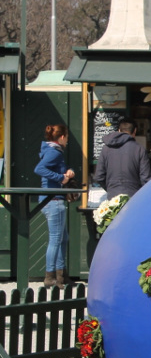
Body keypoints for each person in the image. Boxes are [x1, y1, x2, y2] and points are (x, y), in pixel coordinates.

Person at [34, 124, 76, 289]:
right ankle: (50, 276)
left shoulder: (54, 151)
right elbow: (39, 169)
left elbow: (52, 168)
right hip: (53, 200)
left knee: (62, 238)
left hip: (52, 199)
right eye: (67, 137)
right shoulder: (53, 152)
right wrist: (61, 178)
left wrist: (68, 172)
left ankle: (61, 275)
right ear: (62, 137)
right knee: (56, 239)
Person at [94, 118, 151, 198]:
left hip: (113, 197)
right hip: (134, 197)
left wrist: (112, 188)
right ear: (135, 131)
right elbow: (145, 178)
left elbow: (99, 176)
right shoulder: (139, 149)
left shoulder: (106, 148)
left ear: (119, 130)